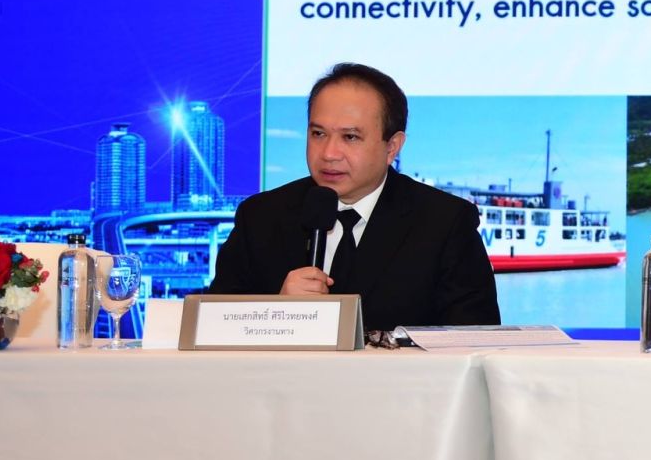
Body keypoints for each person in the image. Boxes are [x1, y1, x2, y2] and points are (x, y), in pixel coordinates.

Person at [208, 63, 499, 331]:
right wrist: (275, 311)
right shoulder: (261, 216)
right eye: (318, 134)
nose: (328, 154)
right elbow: (211, 330)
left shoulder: (445, 223)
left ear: (392, 147)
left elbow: (474, 341)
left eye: (350, 137)